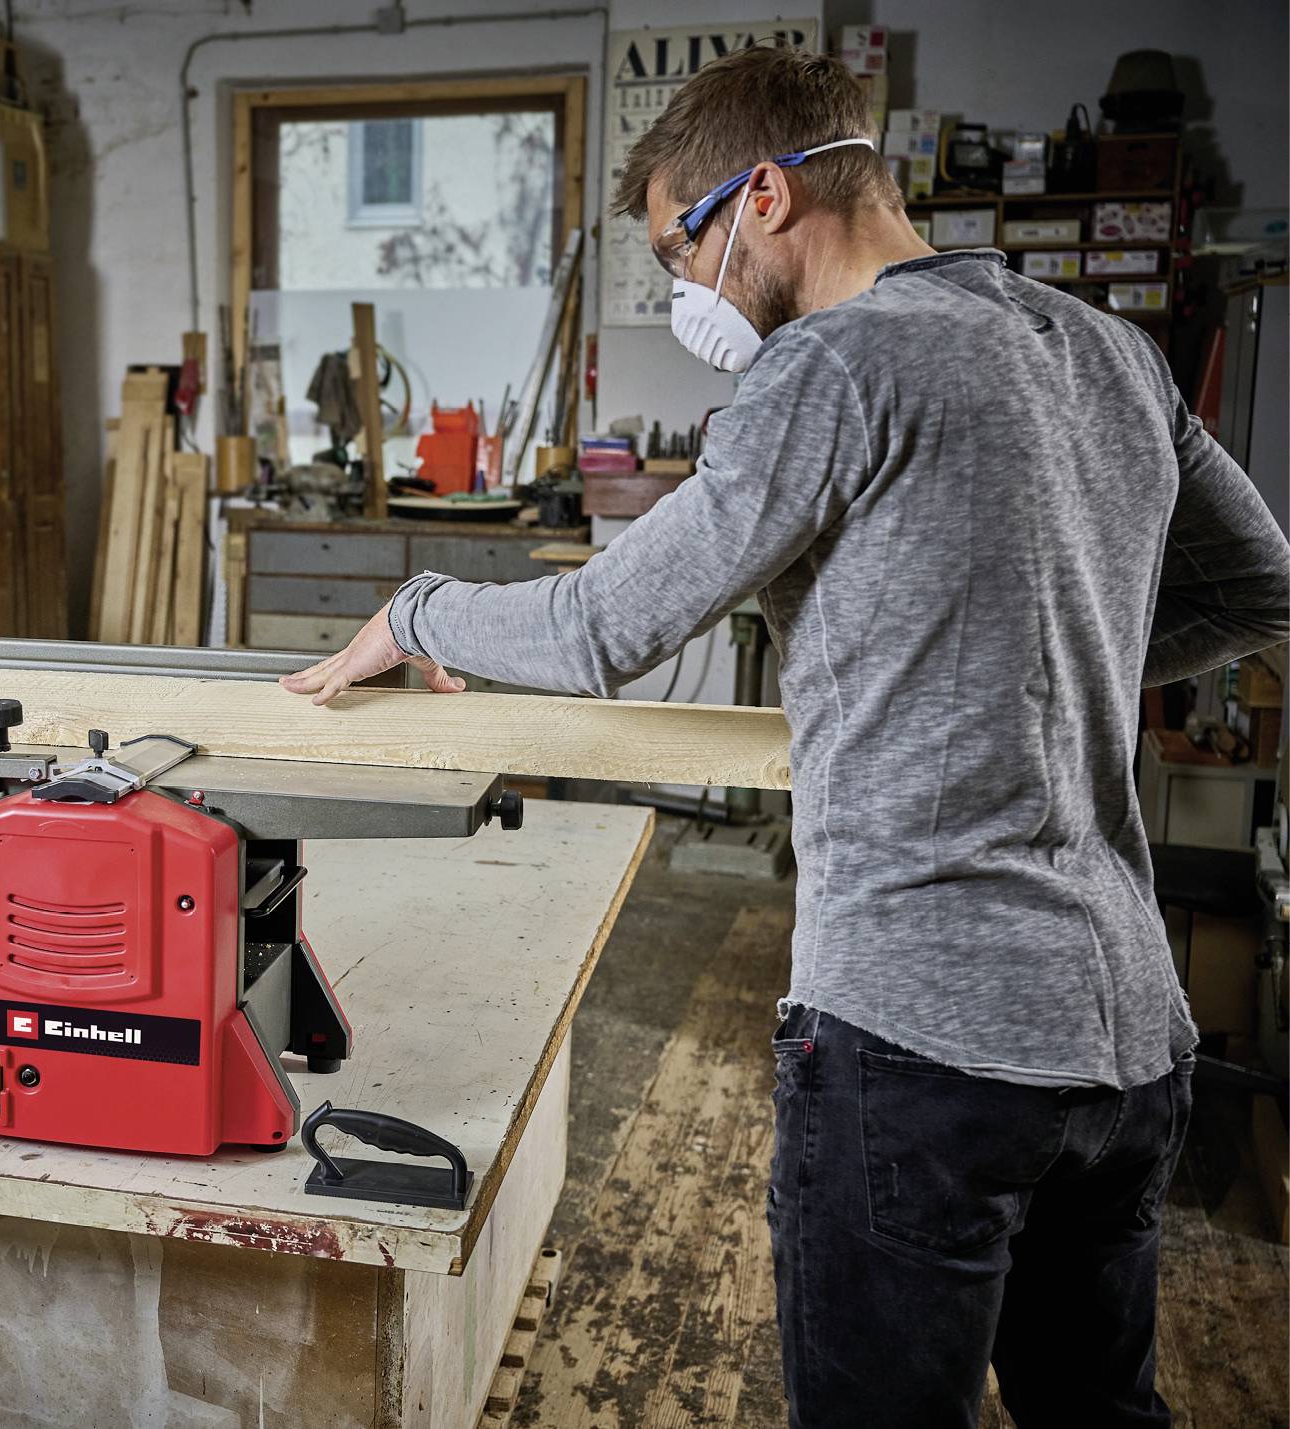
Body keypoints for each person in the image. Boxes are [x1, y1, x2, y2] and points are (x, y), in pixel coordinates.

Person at [278, 43, 1290, 1429]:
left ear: (763, 197)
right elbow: (1258, 587)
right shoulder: (1111, 352)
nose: (686, 292)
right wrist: (1059, 664)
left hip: (923, 1039)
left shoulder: (832, 366)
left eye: (679, 248)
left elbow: (596, 631)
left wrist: (417, 610)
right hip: (1124, 1037)